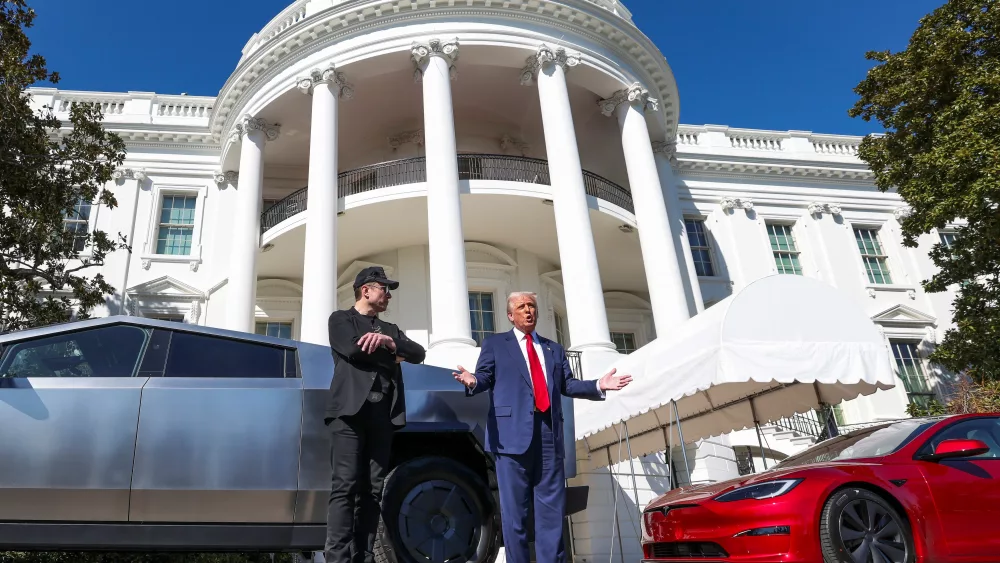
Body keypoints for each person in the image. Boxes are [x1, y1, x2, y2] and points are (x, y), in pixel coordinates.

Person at [452, 291, 632, 563]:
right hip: (511, 438)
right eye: (522, 307)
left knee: (551, 512)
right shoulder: (495, 344)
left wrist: (597, 385)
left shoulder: (553, 348)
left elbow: (566, 385)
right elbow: (485, 377)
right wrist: (472, 380)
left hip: (548, 435)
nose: (529, 311)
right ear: (510, 315)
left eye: (532, 306)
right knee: (516, 514)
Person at [324, 266, 426, 563]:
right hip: (349, 414)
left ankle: (364, 557)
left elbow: (418, 354)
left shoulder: (392, 330)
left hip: (383, 415)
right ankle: (338, 559)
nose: (389, 294)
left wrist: (390, 343)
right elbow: (352, 350)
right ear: (366, 290)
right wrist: (392, 356)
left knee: (372, 490)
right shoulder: (340, 319)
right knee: (345, 486)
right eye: (384, 288)